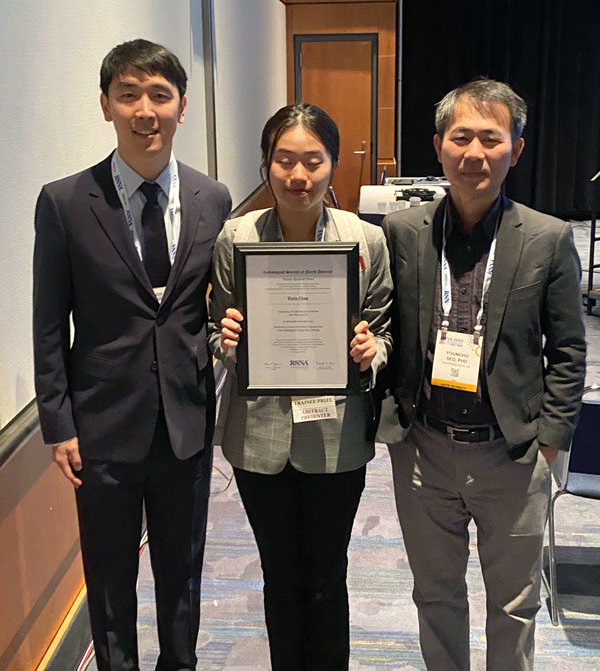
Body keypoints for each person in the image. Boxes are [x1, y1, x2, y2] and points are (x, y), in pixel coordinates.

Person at [33, 39, 231, 671]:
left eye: (160, 96)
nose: (145, 110)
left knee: (184, 575)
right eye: (128, 95)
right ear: (105, 105)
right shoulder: (65, 203)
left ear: (180, 108)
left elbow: (214, 306)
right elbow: (46, 325)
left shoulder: (213, 199)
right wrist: (59, 424)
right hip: (102, 428)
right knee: (110, 582)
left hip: (186, 426)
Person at [378, 78, 586, 671]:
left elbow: (569, 349)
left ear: (515, 150)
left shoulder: (547, 238)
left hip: (512, 455)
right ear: (439, 145)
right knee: (435, 596)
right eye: (461, 137)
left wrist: (549, 440)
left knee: (514, 605)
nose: (474, 153)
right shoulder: (403, 231)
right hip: (424, 452)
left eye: (490, 139)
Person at [208, 103, 392, 671]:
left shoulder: (364, 241)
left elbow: (385, 330)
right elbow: (215, 327)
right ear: (265, 165)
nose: (298, 176)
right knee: (279, 575)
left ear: (332, 165)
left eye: (313, 161)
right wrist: (227, 338)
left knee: (326, 575)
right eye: (284, 160)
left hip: (335, 437)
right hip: (258, 439)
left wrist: (370, 350)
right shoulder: (235, 238)